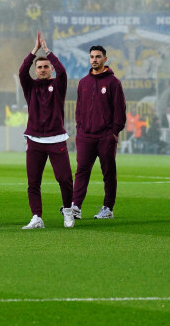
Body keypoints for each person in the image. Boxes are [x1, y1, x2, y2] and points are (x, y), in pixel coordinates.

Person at [18, 31, 74, 229]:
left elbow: (64, 72)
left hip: (56, 138)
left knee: (65, 179)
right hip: (34, 140)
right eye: (39, 67)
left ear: (51, 69)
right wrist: (34, 51)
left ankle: (68, 211)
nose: (42, 70)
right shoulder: (30, 87)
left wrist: (48, 51)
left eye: (45, 67)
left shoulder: (58, 85)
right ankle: (37, 217)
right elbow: (22, 71)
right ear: (36, 70)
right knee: (33, 182)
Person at [71, 45, 126, 220]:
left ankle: (108, 208)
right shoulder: (83, 82)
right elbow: (79, 109)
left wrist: (113, 132)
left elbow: (120, 111)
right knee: (81, 171)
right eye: (92, 57)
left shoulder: (113, 82)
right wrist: (79, 128)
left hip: (105, 136)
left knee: (108, 173)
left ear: (105, 59)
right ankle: (75, 206)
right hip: (85, 136)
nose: (94, 59)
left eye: (98, 56)